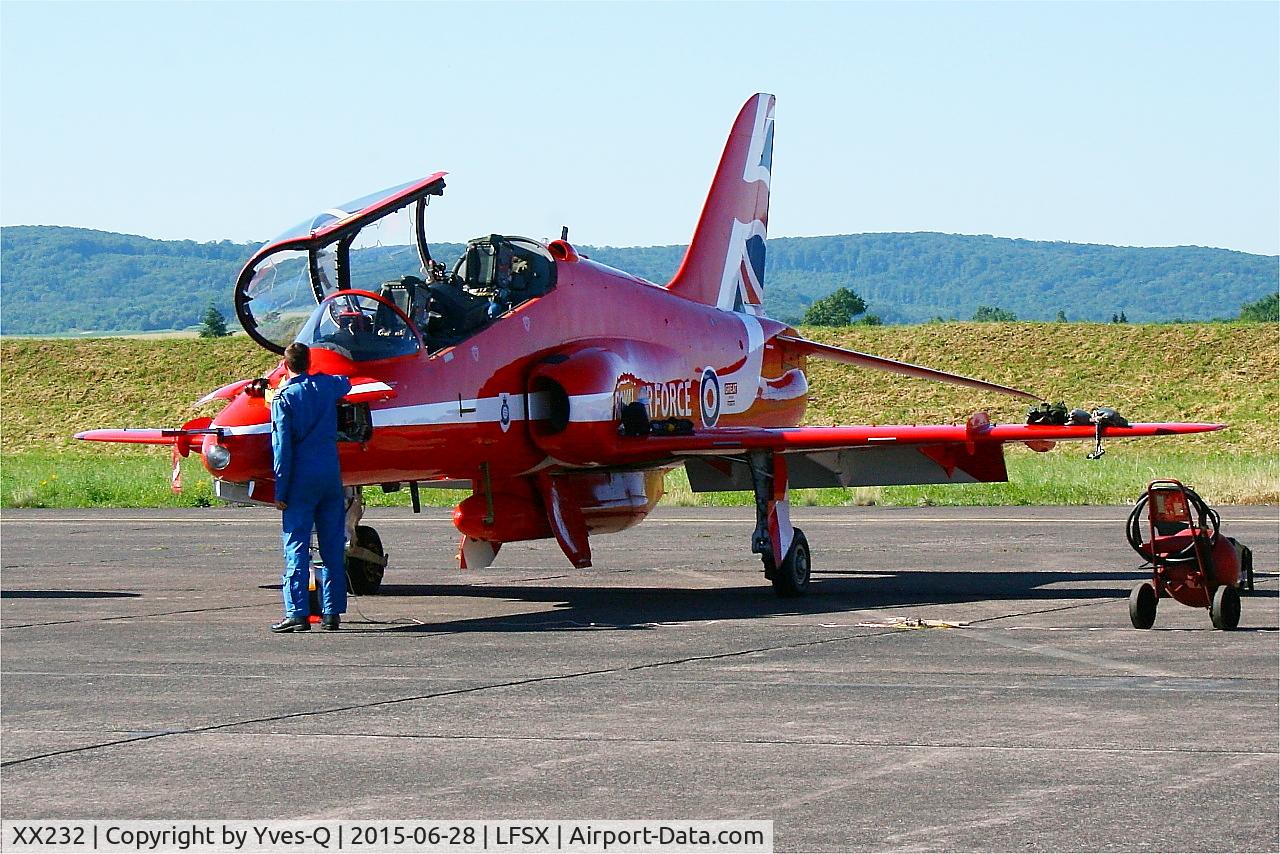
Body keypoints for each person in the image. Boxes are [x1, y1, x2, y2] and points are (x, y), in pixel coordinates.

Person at [269, 342, 352, 633]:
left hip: (300, 480)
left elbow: (282, 448)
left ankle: (297, 613)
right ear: (308, 361)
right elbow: (347, 382)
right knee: (332, 547)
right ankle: (332, 614)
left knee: (296, 547)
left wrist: (280, 492)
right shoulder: (327, 386)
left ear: (286, 364)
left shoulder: (284, 398)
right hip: (330, 475)